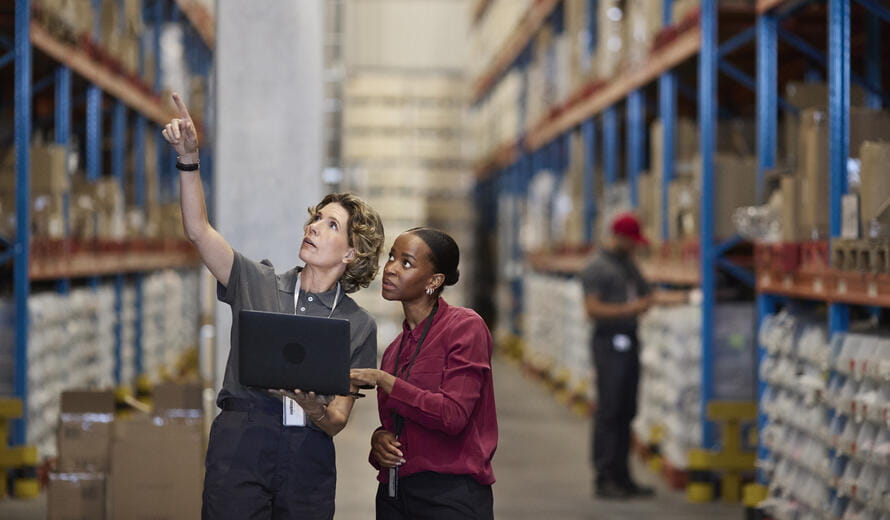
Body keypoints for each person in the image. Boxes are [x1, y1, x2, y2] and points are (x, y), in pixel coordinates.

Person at [161, 93, 385, 519]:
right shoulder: (256, 281)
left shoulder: (358, 324)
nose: (313, 227)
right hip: (242, 444)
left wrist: (311, 405)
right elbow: (198, 231)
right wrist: (189, 160)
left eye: (330, 224)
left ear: (352, 253)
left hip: (307, 458)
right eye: (315, 218)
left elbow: (338, 418)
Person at [350, 227, 498, 520]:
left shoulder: (465, 327)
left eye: (406, 263)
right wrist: (379, 440)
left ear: (434, 280)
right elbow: (398, 422)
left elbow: (453, 416)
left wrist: (384, 381)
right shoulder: (394, 350)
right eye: (391, 257)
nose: (390, 269)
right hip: (395, 493)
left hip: (449, 495)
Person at [580, 213, 655, 500]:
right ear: (619, 237)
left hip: (629, 341)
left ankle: (623, 477)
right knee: (609, 411)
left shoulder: (627, 264)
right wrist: (632, 309)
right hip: (608, 343)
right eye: (632, 242)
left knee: (627, 410)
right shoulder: (597, 267)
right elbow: (592, 309)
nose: (636, 247)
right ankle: (604, 478)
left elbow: (648, 295)